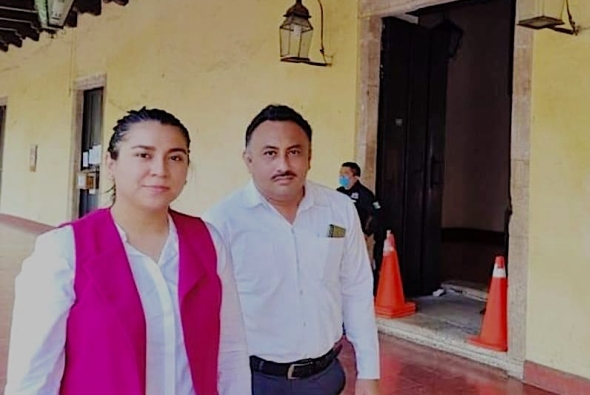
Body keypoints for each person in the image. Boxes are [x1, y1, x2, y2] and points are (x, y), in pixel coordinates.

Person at [4, 107, 250, 395]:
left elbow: (230, 350)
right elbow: (34, 377)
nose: (160, 170)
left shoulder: (207, 241)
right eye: (143, 155)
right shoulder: (64, 249)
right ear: (111, 163)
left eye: (175, 157)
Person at [203, 104, 380, 395]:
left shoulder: (339, 211)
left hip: (325, 377)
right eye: (270, 153)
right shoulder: (221, 222)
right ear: (248, 160)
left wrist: (369, 373)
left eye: (294, 152)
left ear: (309, 158)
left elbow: (356, 289)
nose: (283, 165)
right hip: (255, 381)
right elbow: (209, 314)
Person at [336, 162, 381, 272]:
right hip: (337, 232)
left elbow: (377, 214)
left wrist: (366, 233)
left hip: (355, 235)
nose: (342, 176)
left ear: (355, 177)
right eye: (341, 173)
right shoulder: (338, 192)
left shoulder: (365, 194)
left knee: (352, 267)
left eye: (346, 173)